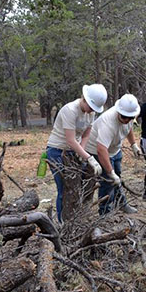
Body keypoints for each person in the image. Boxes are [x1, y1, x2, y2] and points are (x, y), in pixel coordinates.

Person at [46, 84, 107, 223]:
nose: (92, 111)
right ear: (84, 99)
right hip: (57, 151)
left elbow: (85, 135)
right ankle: (63, 222)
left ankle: (75, 219)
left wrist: (82, 151)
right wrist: (89, 158)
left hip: (74, 151)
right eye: (91, 107)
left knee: (77, 187)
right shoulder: (70, 110)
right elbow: (70, 140)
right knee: (65, 188)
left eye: (94, 109)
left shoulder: (91, 114)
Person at [86, 94, 141, 215]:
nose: (127, 120)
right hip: (97, 150)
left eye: (130, 117)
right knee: (108, 181)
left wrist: (133, 145)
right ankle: (104, 212)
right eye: (124, 117)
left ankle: (121, 203)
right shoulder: (108, 123)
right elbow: (101, 150)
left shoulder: (130, 116)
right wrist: (110, 172)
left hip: (115, 149)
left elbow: (129, 128)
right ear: (118, 111)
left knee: (118, 177)